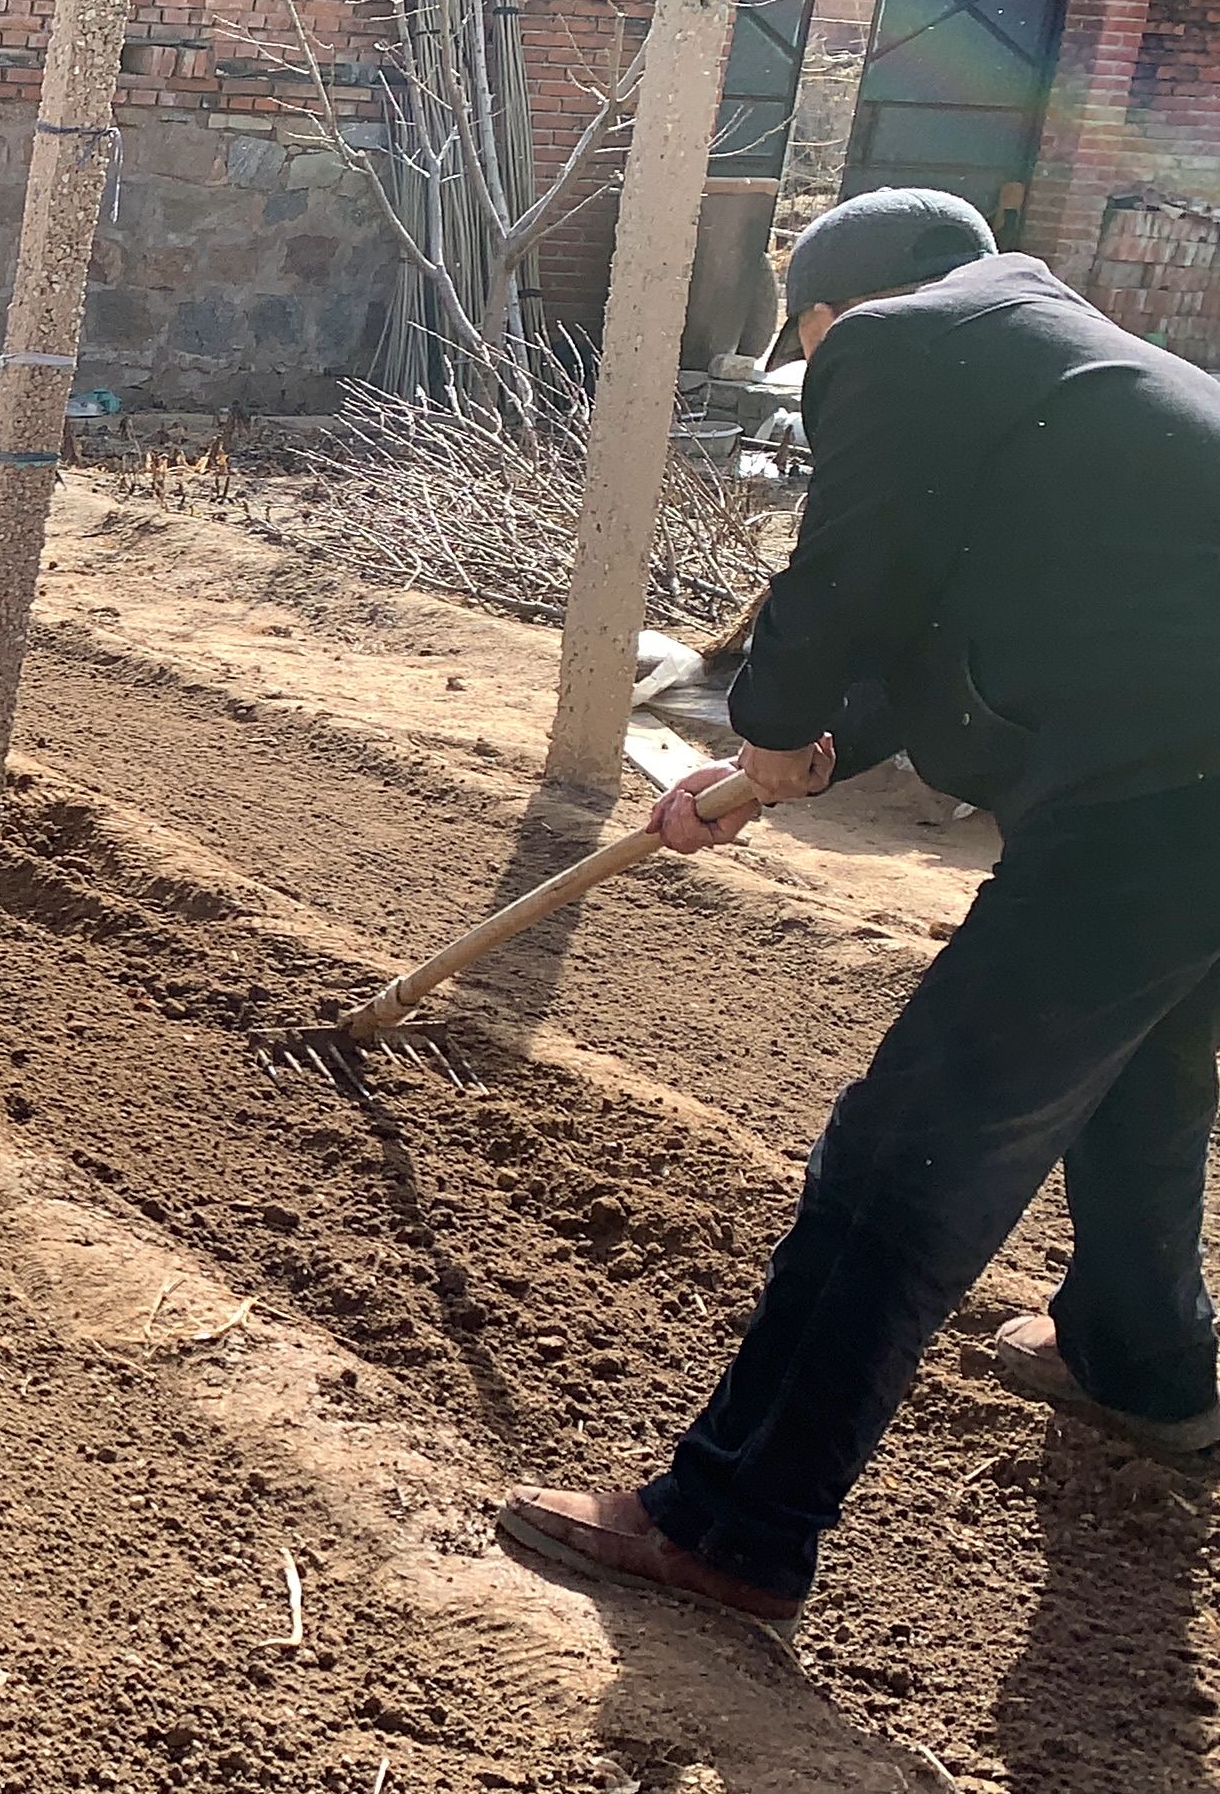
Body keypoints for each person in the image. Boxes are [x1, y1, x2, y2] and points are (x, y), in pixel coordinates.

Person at [499, 187, 1220, 1640]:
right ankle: (1144, 1362)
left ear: (840, 310)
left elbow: (842, 581)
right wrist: (781, 763)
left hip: (1168, 795)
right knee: (1141, 1063)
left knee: (910, 1148)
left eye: (808, 341)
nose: (819, 372)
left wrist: (772, 723)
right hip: (1188, 782)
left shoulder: (904, 342)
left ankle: (731, 1521)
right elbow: (934, 631)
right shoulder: (1064, 367)